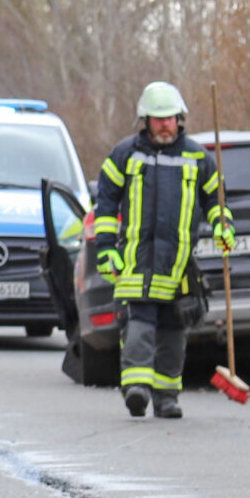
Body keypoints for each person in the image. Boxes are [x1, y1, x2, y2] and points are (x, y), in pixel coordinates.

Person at [87, 81, 235, 419]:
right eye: (158, 118)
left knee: (173, 330)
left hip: (179, 264)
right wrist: (107, 250)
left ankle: (167, 397)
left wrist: (222, 224)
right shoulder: (125, 154)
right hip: (135, 260)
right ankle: (136, 389)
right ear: (145, 120)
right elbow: (106, 204)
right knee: (139, 323)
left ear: (180, 119)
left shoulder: (198, 158)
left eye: (170, 118)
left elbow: (216, 200)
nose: (165, 124)